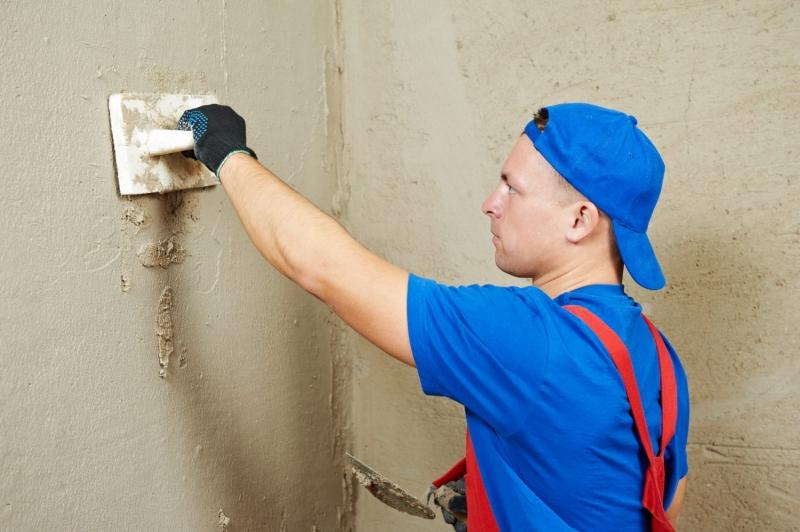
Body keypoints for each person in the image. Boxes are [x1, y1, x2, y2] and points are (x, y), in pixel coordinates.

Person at [178, 101, 690, 531]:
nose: (490, 203)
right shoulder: (657, 354)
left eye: (512, 188)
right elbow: (663, 503)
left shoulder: (527, 337)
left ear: (580, 219)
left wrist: (226, 152)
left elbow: (323, 267)